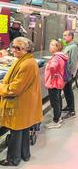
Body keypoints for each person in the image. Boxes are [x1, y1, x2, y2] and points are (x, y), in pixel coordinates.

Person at [0, 37, 43, 166]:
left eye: (18, 48)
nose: (14, 50)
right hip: (24, 103)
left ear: (27, 50)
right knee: (23, 130)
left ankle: (13, 159)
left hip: (20, 103)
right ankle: (24, 154)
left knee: (16, 132)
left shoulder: (27, 64)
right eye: (13, 47)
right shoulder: (25, 60)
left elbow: (15, 89)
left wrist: (1, 87)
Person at [45, 40, 68, 129]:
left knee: (55, 102)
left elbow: (53, 67)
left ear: (57, 47)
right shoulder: (60, 56)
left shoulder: (56, 57)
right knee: (58, 99)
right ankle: (58, 117)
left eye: (52, 45)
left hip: (53, 82)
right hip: (58, 81)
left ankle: (56, 121)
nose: (50, 46)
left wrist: (52, 73)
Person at [61, 30, 78, 119]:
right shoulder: (67, 46)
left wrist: (71, 74)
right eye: (63, 35)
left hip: (68, 73)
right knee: (66, 91)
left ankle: (72, 110)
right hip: (65, 73)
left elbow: (73, 62)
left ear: (71, 36)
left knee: (68, 91)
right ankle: (68, 106)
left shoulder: (73, 47)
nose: (64, 37)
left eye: (65, 35)